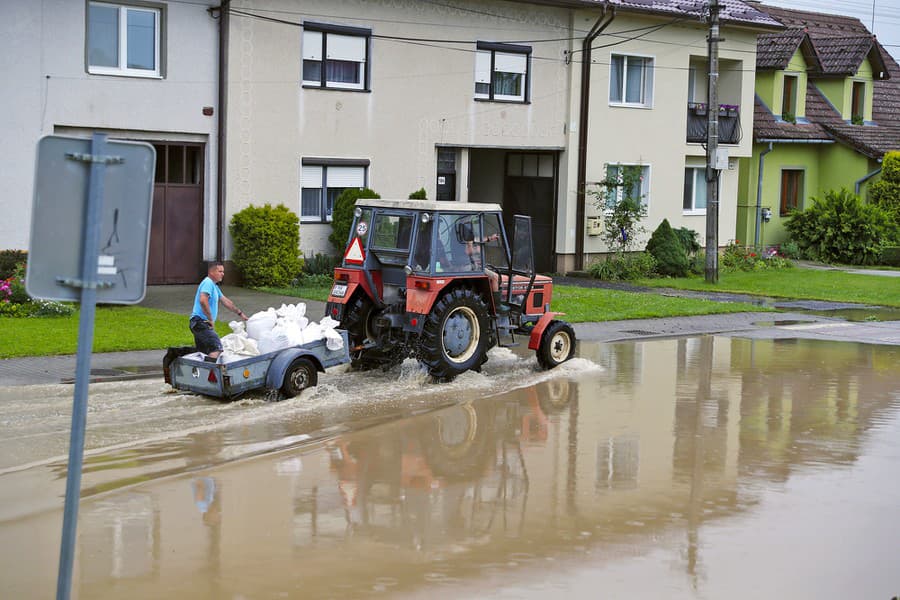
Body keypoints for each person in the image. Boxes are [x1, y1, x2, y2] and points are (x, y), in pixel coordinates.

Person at [190, 262, 248, 359]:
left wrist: (240, 313)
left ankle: (202, 371)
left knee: (204, 352)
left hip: (198, 323)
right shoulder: (208, 283)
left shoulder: (214, 287)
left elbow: (226, 301)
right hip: (201, 322)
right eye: (220, 271)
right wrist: (210, 318)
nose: (223, 274)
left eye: (223, 271)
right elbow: (203, 300)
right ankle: (209, 372)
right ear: (211, 272)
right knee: (216, 348)